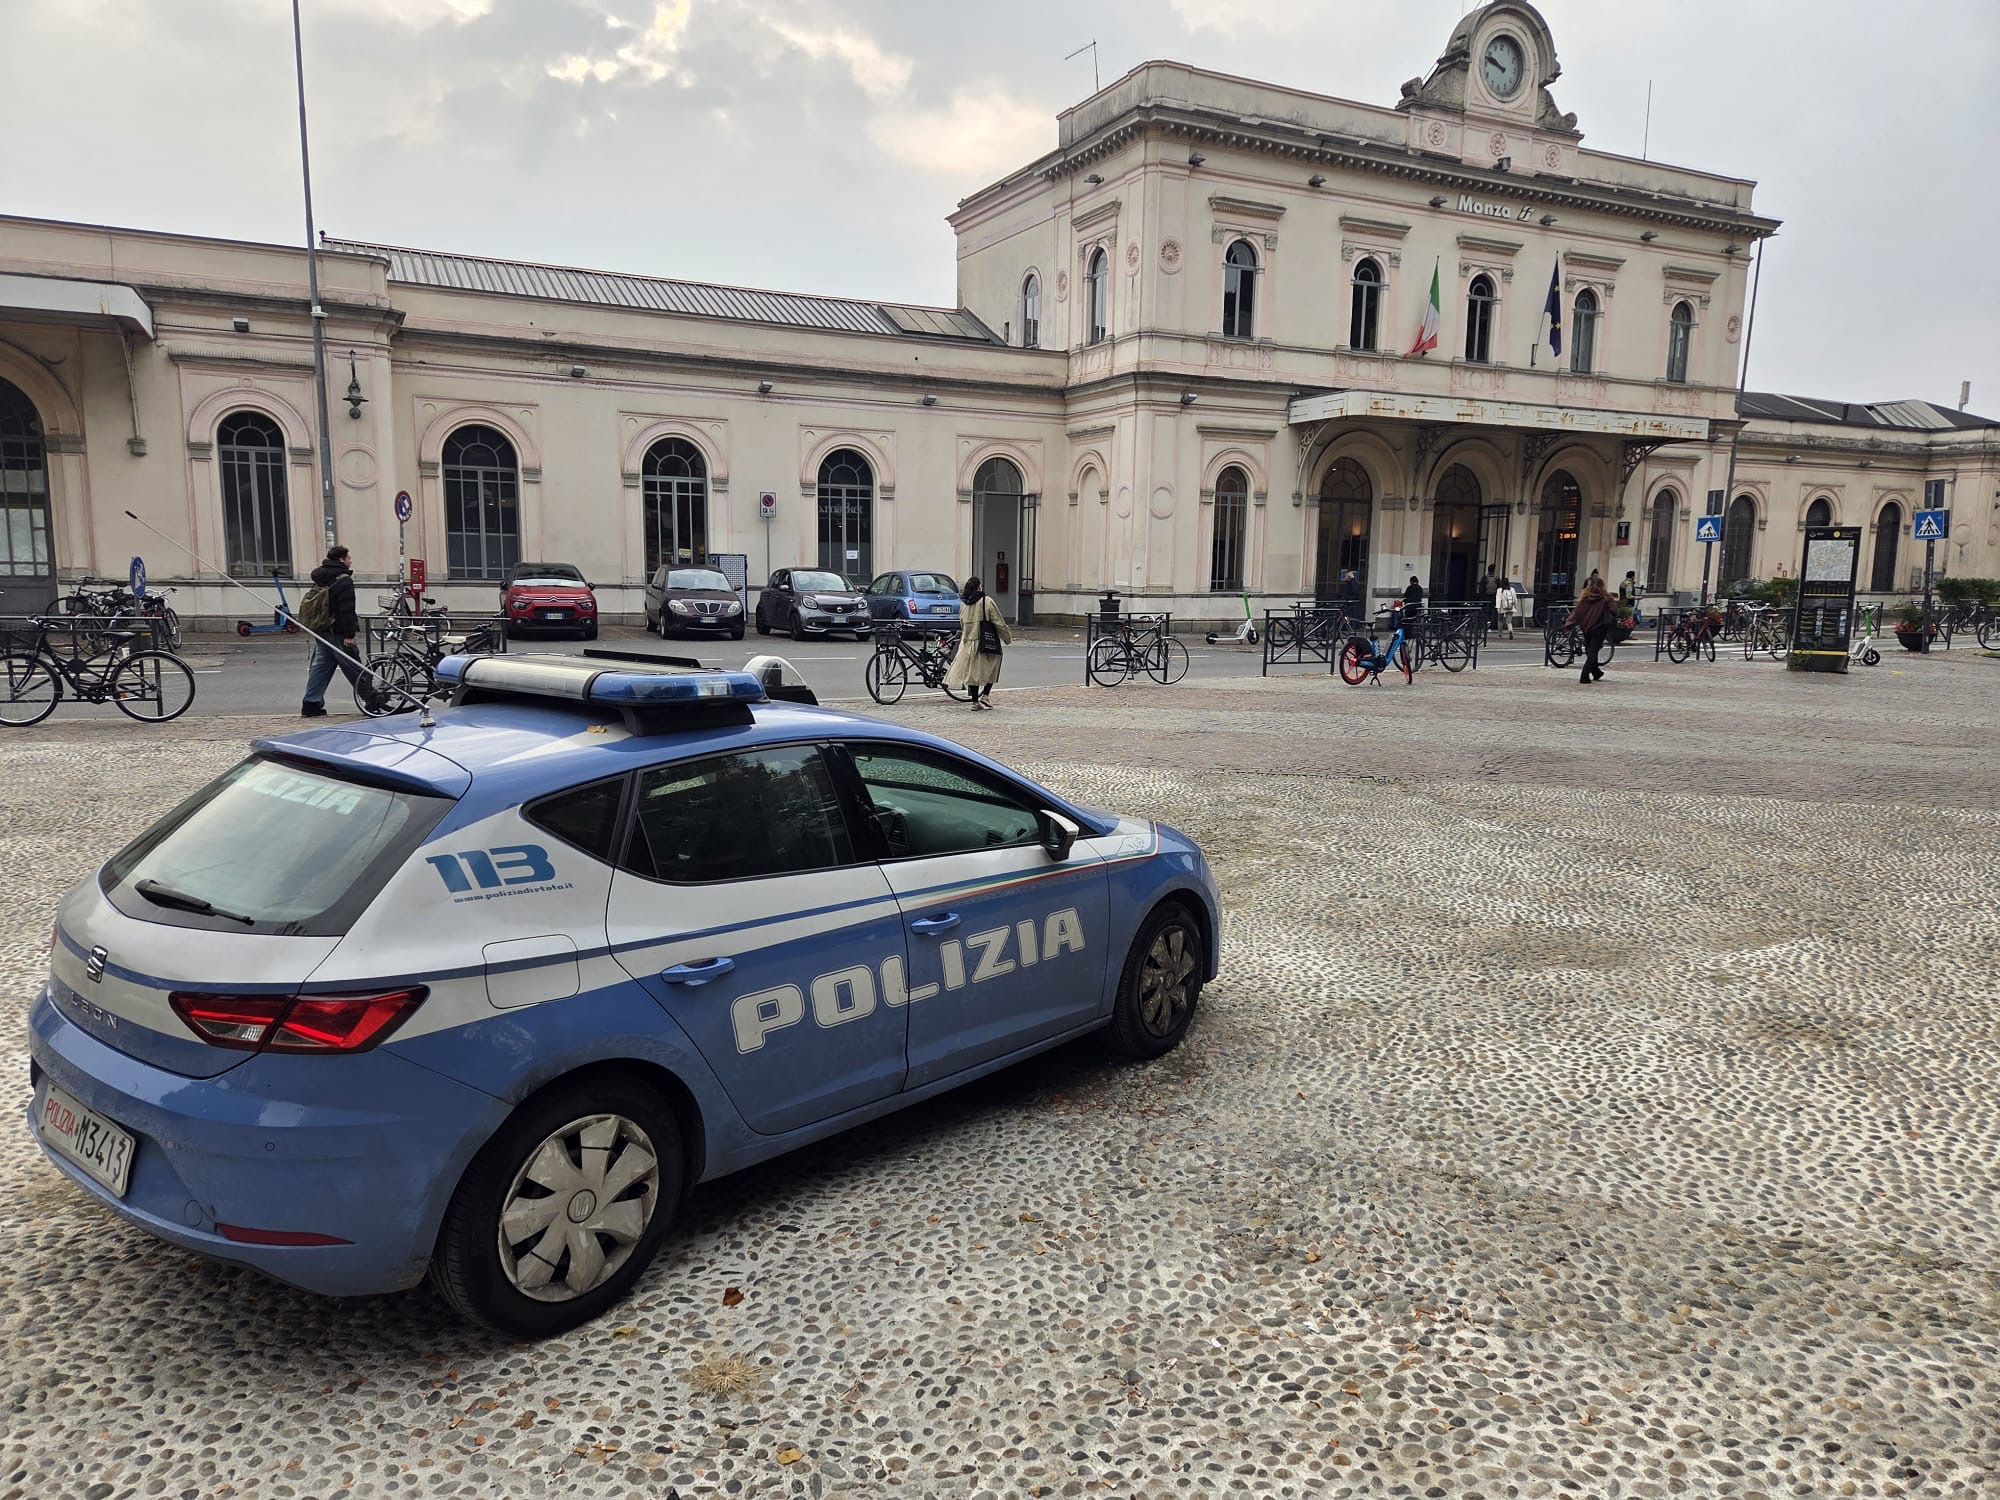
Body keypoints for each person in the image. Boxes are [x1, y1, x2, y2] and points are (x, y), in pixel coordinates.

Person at [300, 545, 373, 717]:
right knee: (353, 665)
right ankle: (372, 699)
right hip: (338, 630)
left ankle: (311, 703)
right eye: (348, 558)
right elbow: (346, 609)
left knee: (322, 665)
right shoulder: (343, 580)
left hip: (321, 627)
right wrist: (349, 635)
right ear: (341, 559)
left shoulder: (320, 576)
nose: (350, 561)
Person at [946, 574, 1013, 710]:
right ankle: (985, 695)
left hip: (968, 642)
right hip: (985, 641)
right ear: (979, 587)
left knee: (972, 672)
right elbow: (998, 621)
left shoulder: (964, 604)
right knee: (993, 664)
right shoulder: (986, 601)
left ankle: (975, 702)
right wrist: (1007, 637)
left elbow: (962, 623)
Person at [1564, 574, 1616, 684]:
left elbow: (1577, 613)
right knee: (1593, 652)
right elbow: (1614, 611)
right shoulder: (1606, 599)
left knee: (1590, 650)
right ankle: (1585, 675)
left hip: (1586, 628)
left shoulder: (1584, 599)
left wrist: (1569, 624)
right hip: (1599, 628)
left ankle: (1596, 672)